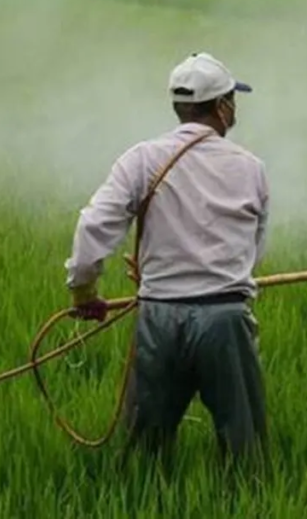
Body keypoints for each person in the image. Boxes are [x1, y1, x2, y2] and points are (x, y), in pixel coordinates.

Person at [62, 52, 270, 472]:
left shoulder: (141, 158)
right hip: (225, 318)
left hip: (160, 317)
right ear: (223, 106)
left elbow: (94, 225)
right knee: (246, 451)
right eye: (233, 99)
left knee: (144, 451)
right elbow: (252, 249)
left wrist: (85, 291)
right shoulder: (250, 169)